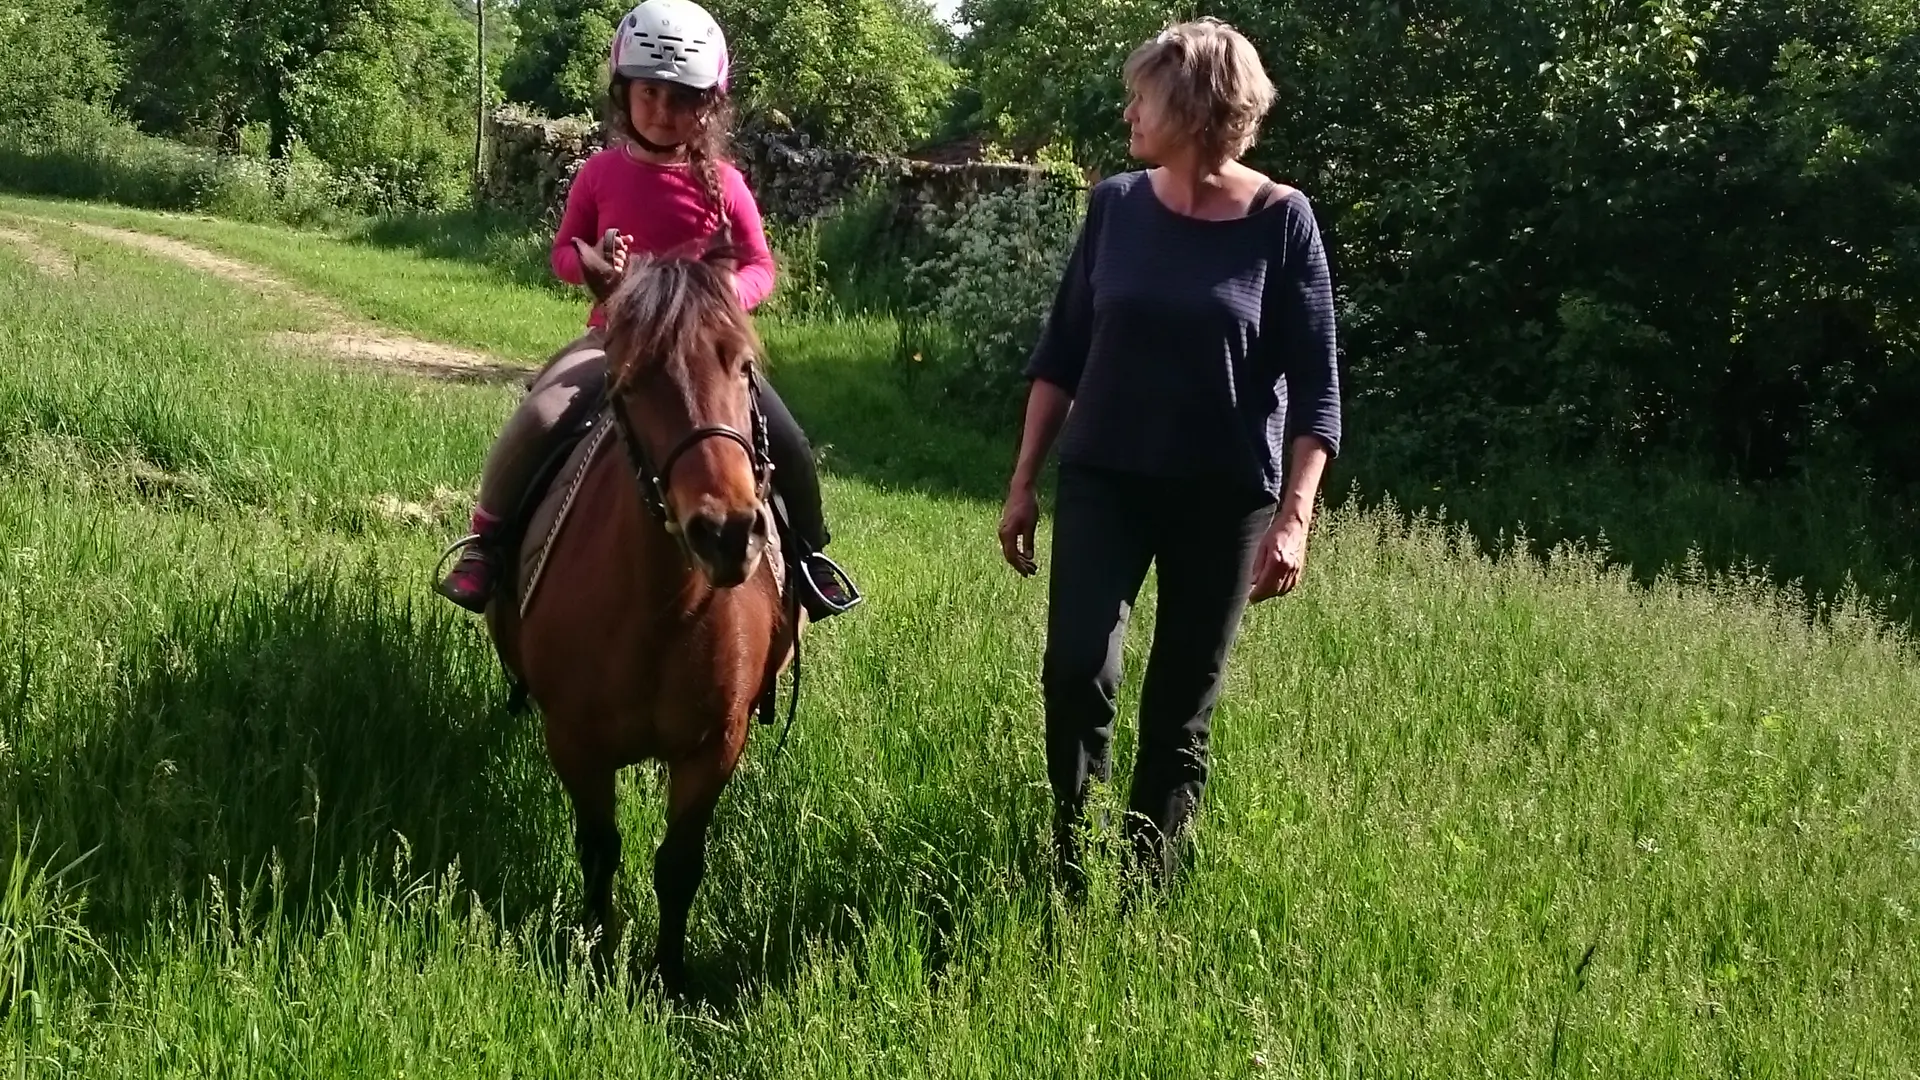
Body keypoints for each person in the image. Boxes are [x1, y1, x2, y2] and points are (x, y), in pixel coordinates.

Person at [997, 17, 1342, 894]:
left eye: (1140, 96)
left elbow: (1317, 390)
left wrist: (1295, 519)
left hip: (1224, 497)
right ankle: (1073, 855)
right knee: (1079, 666)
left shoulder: (1281, 221)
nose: (1127, 112)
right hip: (1106, 477)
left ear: (1192, 107)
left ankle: (1151, 887)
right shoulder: (1114, 205)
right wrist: (1024, 480)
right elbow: (1062, 351)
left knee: (1182, 704)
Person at [435, 0, 862, 622]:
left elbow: (761, 266)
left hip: (707, 357)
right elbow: (563, 250)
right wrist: (590, 268)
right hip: (615, 342)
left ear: (708, 105)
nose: (662, 112)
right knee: (542, 412)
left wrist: (720, 298)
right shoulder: (600, 175)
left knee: (788, 440)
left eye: (680, 98)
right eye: (648, 94)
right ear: (623, 94)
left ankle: (809, 560)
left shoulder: (727, 184)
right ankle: (489, 544)